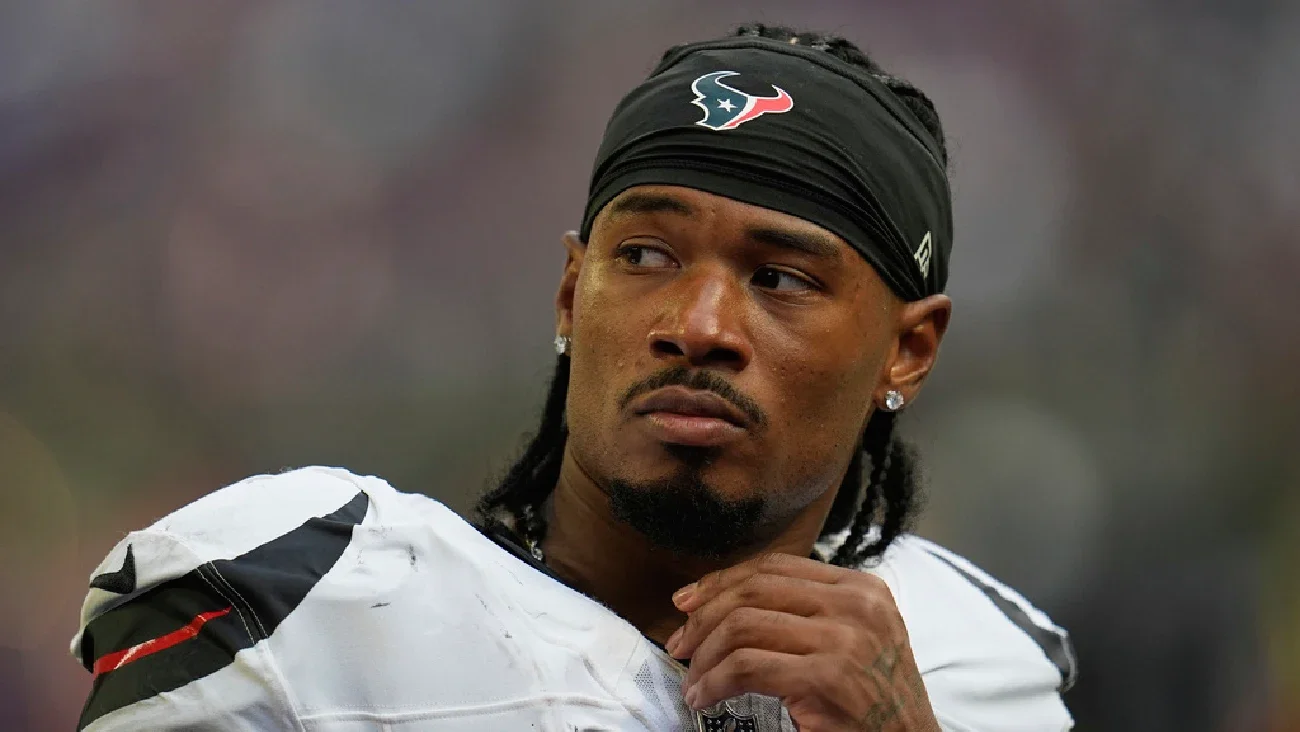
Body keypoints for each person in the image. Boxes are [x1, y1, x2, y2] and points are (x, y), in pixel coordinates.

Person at [70, 23, 1076, 731]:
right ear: (568, 291)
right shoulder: (305, 603)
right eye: (645, 256)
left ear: (908, 350)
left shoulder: (968, 663)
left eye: (778, 278)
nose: (697, 327)